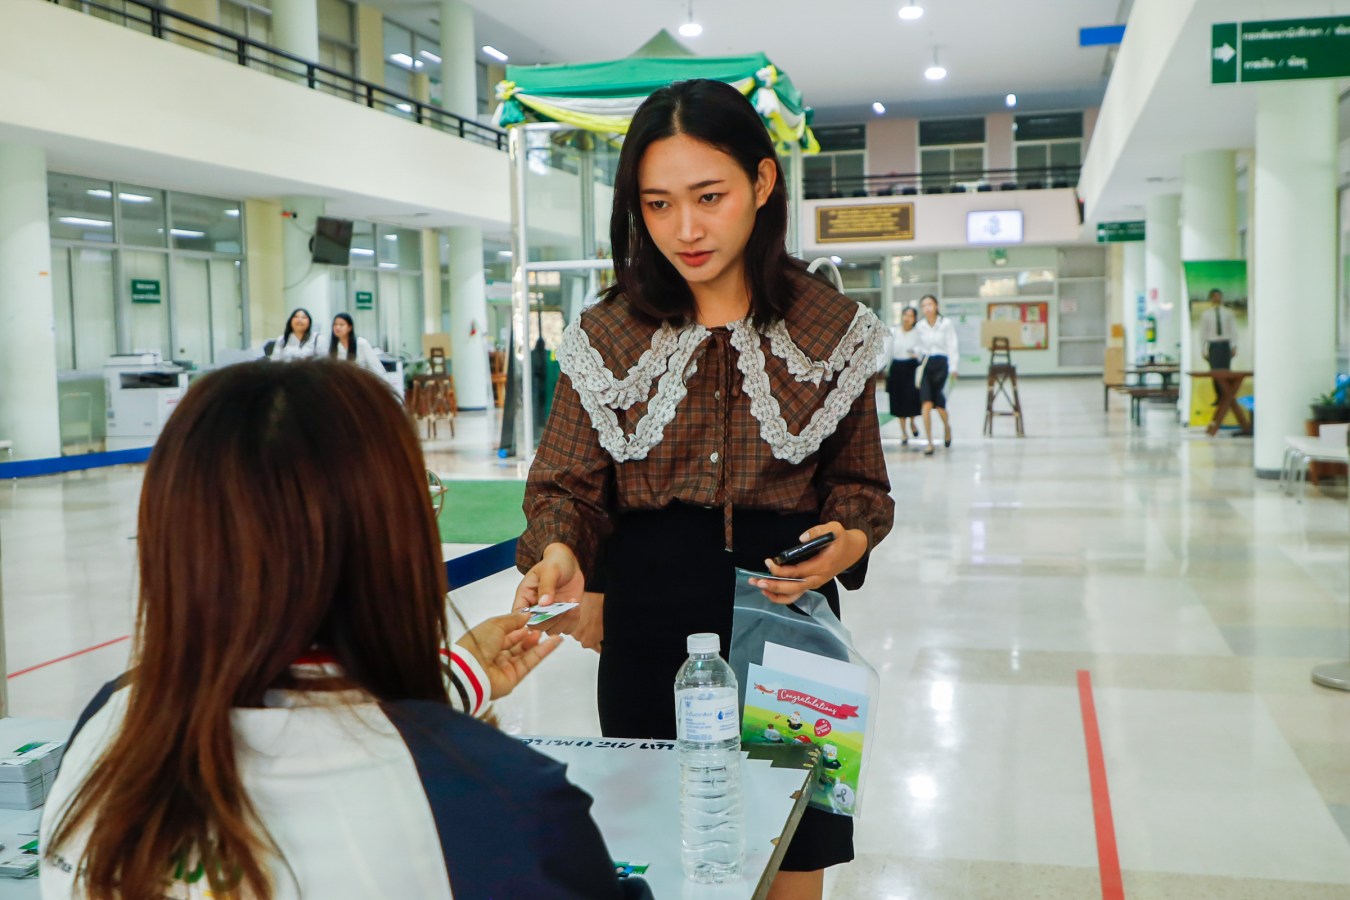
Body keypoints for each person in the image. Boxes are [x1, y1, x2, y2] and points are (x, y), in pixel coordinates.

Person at [40, 361, 644, 900]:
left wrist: (455, 679)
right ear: (388, 540)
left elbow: (297, 721)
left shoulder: (106, 734)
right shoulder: (505, 805)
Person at [512, 79, 894, 900]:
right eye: (656, 204)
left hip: (789, 619)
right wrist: (558, 553)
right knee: (667, 855)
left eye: (709, 196)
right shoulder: (606, 335)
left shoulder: (833, 329)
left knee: (797, 858)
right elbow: (567, 485)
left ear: (761, 184)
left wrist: (849, 539)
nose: (684, 228)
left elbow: (861, 484)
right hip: (648, 627)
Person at [914, 294, 958, 456]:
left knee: (940, 406)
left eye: (930, 304)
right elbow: (918, 346)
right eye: (924, 305)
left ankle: (947, 428)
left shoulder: (946, 324)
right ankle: (930, 442)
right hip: (926, 365)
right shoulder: (920, 326)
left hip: (942, 366)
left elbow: (952, 346)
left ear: (936, 306)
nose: (927, 308)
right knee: (925, 405)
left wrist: (953, 367)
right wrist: (915, 354)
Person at [885, 305, 923, 445]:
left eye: (910, 316)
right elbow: (887, 351)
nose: (907, 318)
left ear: (914, 319)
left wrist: (917, 353)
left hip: (911, 367)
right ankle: (903, 432)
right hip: (897, 368)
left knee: (912, 399)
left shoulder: (918, 333)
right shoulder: (894, 331)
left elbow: (922, 350)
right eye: (905, 315)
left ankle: (912, 423)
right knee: (898, 400)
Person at [1199, 288, 1237, 372]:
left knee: (1226, 371)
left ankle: (1225, 385)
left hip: (1225, 345)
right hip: (1213, 346)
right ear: (1211, 298)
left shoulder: (1228, 313)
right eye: (1214, 296)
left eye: (1218, 296)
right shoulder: (1206, 314)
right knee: (1214, 371)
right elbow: (1203, 332)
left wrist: (1234, 346)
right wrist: (1203, 349)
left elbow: (1233, 330)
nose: (1217, 298)